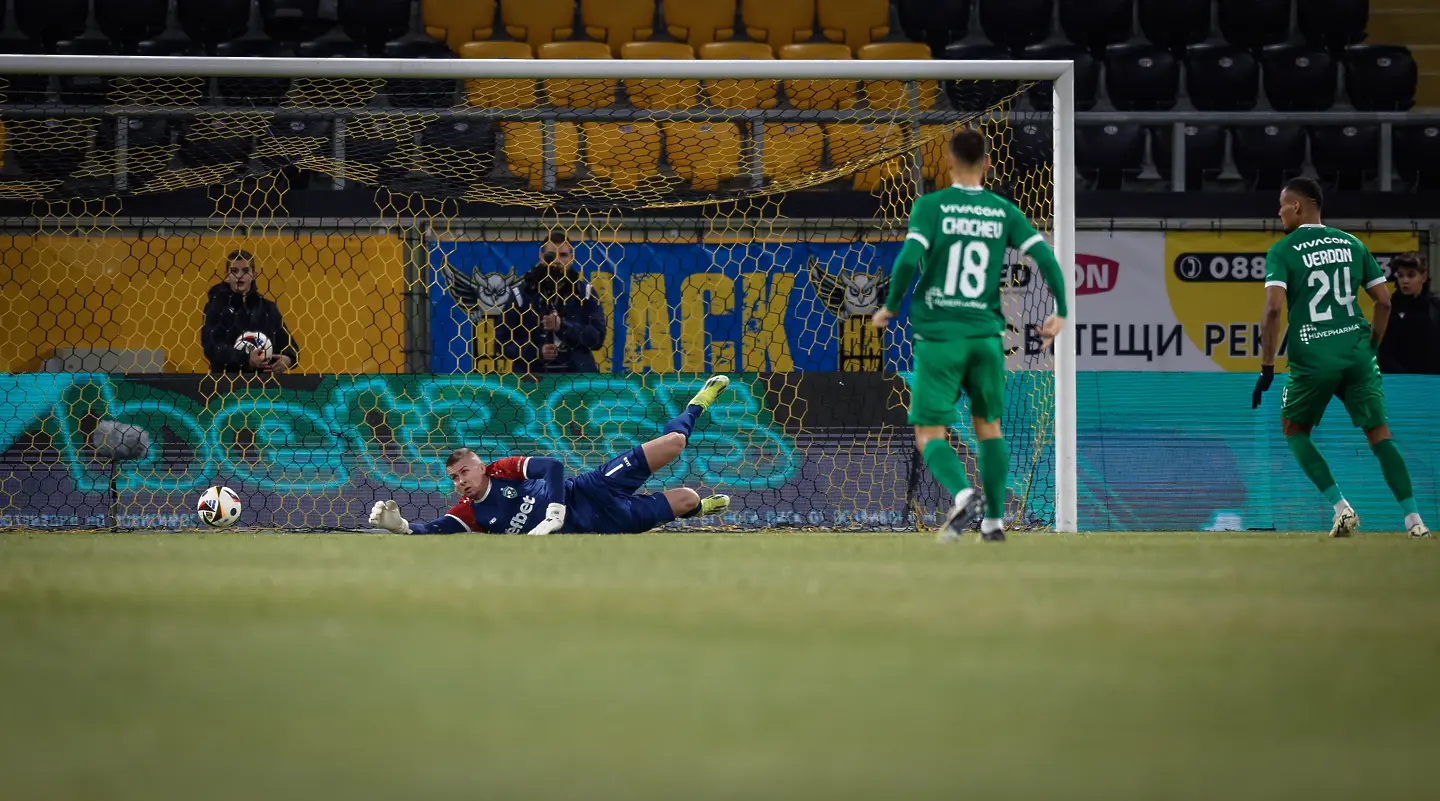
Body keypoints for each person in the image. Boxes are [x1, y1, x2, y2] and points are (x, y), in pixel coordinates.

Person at [870, 128, 1068, 543]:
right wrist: (1061, 310)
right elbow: (1045, 255)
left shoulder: (931, 206)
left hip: (941, 335)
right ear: (989, 165)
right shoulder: (1002, 210)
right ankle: (994, 523)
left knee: (929, 433)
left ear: (947, 162)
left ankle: (964, 496)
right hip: (986, 337)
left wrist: (891, 304)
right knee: (989, 427)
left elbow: (908, 258)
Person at [1252, 178, 1429, 538]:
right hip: (1356, 352)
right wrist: (1372, 349)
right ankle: (1415, 522)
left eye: (1282, 205)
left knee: (1294, 429)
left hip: (1313, 355)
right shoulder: (1353, 244)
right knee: (1379, 434)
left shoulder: (1283, 250)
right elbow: (1384, 302)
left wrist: (1267, 366)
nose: (1279, 212)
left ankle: (1342, 508)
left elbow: (1272, 310)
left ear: (1298, 206)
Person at [368, 375, 733, 534]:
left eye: (464, 471)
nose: (461, 481)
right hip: (608, 524)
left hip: (591, 489)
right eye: (454, 478)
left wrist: (556, 510)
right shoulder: (469, 513)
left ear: (480, 466)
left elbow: (553, 467)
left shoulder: (503, 470)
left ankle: (697, 403)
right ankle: (701, 508)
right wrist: (399, 527)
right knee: (688, 498)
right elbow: (432, 529)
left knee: (674, 444)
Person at [495, 231, 607, 373]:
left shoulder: (585, 293)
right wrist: (536, 352)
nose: (557, 261)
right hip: (534, 379)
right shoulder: (520, 294)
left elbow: (597, 339)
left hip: (578, 379)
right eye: (551, 255)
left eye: (563, 255)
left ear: (572, 259)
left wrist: (562, 326)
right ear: (541, 258)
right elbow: (500, 343)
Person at [200, 249, 299, 374]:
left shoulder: (268, 308)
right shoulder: (216, 306)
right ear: (226, 276)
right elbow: (211, 346)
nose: (240, 275)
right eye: (234, 271)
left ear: (254, 275)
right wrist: (246, 359)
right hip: (226, 383)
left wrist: (288, 359)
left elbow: (290, 345)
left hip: (264, 385)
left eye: (245, 271)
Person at [1377, 251, 1440, 375]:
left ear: (1423, 276)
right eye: (1400, 275)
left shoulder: (1435, 307)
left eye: (1411, 275)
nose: (1404, 281)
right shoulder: (1390, 307)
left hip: (1432, 381)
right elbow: (1383, 351)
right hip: (1399, 381)